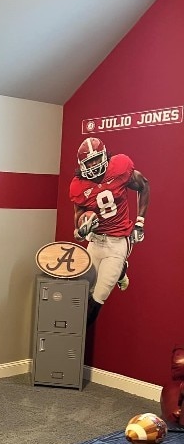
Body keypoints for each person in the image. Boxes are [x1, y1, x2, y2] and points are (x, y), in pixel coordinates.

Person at [69, 136, 150, 326]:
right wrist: (82, 227)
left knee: (96, 299)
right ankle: (122, 271)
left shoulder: (120, 167)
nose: (95, 164)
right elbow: (78, 215)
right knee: (83, 291)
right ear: (82, 164)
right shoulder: (78, 185)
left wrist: (140, 222)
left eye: (97, 158)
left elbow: (144, 184)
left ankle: (75, 337)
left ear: (105, 155)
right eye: (90, 161)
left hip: (117, 242)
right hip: (95, 241)